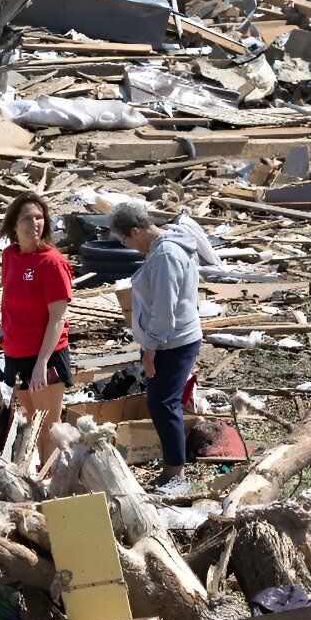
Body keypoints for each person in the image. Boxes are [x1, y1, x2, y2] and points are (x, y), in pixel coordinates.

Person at [109, 202, 203, 497]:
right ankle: (173, 469)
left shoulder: (165, 254)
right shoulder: (168, 243)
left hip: (172, 341)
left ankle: (176, 474)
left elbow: (165, 310)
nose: (126, 246)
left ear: (135, 231)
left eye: (124, 240)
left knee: (164, 403)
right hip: (169, 339)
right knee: (162, 401)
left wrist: (149, 348)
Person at [0, 192, 72, 464]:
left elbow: (57, 318)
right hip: (16, 353)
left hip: (45, 355)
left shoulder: (51, 262)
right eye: (27, 218)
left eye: (39, 217)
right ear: (14, 225)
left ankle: (56, 486)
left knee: (49, 428)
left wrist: (42, 363)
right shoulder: (10, 256)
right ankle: (41, 480)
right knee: (31, 425)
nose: (34, 223)